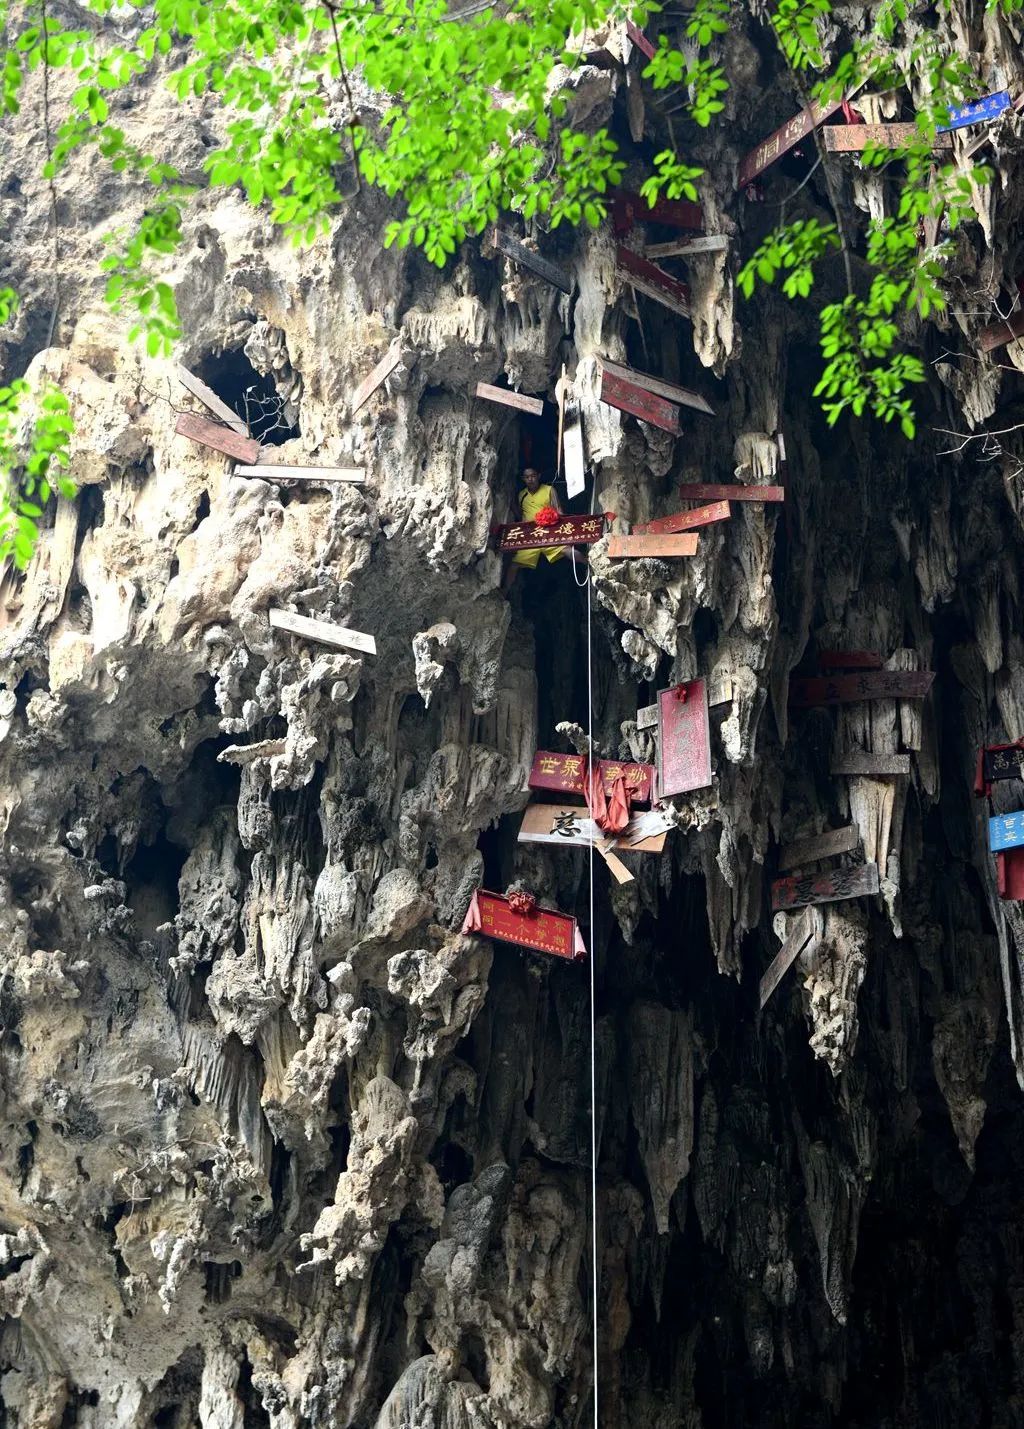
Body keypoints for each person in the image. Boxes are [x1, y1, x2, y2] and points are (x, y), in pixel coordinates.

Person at [502, 468, 565, 590]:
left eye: (533, 476)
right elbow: (521, 516)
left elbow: (559, 510)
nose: (530, 479)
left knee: (568, 551)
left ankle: (588, 561)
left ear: (539, 476)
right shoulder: (522, 495)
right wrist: (512, 506)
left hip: (549, 532)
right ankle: (504, 592)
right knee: (514, 565)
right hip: (530, 536)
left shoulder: (549, 490)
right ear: (523, 479)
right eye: (527, 477)